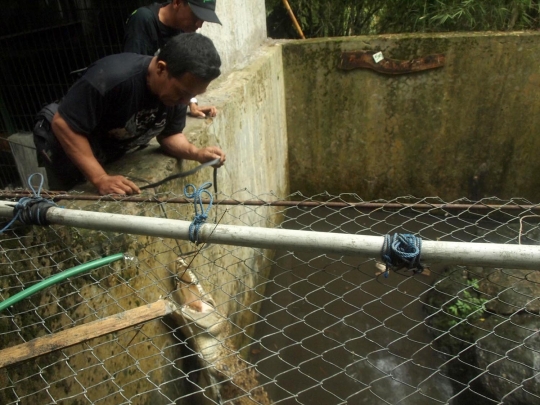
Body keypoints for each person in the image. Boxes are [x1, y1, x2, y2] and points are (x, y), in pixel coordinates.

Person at [33, 33, 226, 196]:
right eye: (183, 93)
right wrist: (100, 178)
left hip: (103, 142)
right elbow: (63, 124)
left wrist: (197, 153)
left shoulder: (174, 94)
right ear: (161, 68)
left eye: (193, 95)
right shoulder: (114, 78)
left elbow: (170, 135)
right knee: (70, 199)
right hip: (62, 137)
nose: (186, 102)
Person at [124, 0, 221, 118]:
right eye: (195, 16)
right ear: (177, 3)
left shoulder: (183, 29)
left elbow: (186, 73)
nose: (199, 24)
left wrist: (192, 102)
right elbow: (132, 71)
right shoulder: (143, 19)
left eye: (203, 20)